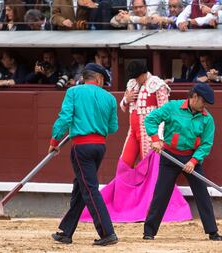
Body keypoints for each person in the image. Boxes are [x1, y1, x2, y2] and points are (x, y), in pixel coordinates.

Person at [80, 60, 192, 222]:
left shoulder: (158, 85)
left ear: (144, 73)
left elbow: (166, 113)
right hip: (133, 133)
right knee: (123, 165)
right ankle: (123, 206)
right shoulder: (132, 84)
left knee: (151, 172)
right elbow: (124, 107)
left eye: (138, 77)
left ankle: (150, 208)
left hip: (149, 134)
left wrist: (158, 138)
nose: (136, 80)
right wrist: (126, 99)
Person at [142, 82, 222, 241]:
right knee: (161, 193)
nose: (205, 106)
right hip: (170, 156)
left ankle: (212, 231)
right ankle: (149, 232)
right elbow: (151, 119)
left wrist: (193, 161)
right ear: (194, 97)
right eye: (203, 102)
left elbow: (206, 144)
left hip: (190, 158)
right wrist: (155, 139)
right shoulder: (173, 107)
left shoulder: (207, 119)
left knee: (202, 193)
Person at [50, 63, 119, 246]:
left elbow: (65, 118)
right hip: (99, 147)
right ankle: (66, 232)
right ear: (98, 79)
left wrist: (54, 142)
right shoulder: (110, 98)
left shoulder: (74, 92)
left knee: (89, 189)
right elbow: (112, 128)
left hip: (82, 147)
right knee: (81, 187)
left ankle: (107, 232)